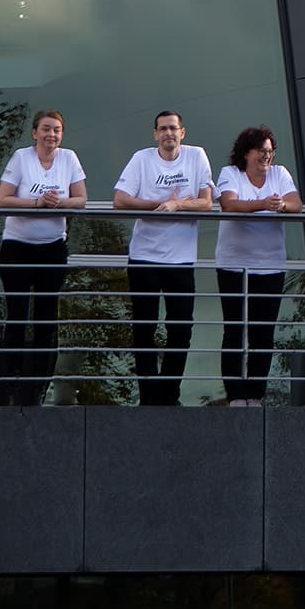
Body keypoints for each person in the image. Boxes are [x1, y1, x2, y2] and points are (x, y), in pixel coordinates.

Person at [113, 110, 214, 406]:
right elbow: (120, 199)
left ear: (183, 132)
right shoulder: (142, 159)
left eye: (173, 128)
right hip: (144, 257)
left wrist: (178, 206)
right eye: (163, 129)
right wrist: (160, 203)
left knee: (181, 328)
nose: (169, 133)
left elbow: (207, 203)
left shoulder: (197, 156)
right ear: (155, 134)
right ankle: (148, 396)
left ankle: (169, 394)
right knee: (144, 327)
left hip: (181, 260)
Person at [0, 109, 87, 406]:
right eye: (46, 129)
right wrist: (36, 202)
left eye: (57, 130)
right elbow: (4, 199)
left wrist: (59, 202)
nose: (51, 135)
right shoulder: (22, 158)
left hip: (52, 248)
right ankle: (10, 384)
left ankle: (39, 385)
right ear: (35, 133)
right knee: (18, 316)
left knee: (46, 320)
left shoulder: (69, 158)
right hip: (17, 247)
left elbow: (81, 199)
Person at [215, 125, 302, 407]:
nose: (266, 156)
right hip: (233, 266)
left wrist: (281, 207)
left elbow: (295, 204)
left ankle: (255, 394)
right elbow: (229, 204)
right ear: (246, 153)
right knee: (235, 330)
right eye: (261, 151)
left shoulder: (280, 174)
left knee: (263, 332)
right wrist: (263, 203)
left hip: (271, 266)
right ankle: (235, 395)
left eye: (269, 151)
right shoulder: (231, 174)